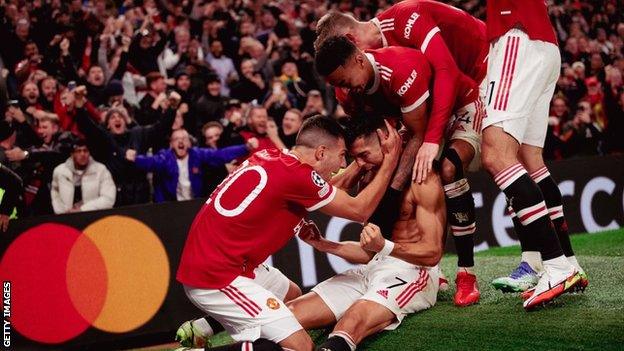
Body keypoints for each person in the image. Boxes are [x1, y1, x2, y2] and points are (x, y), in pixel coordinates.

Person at [176, 115, 401, 351]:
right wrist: (390, 159)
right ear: (321, 153)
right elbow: (360, 209)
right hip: (217, 277)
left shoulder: (276, 157)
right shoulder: (297, 176)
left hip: (229, 262)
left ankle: (210, 327)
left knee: (291, 294)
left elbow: (328, 190)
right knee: (300, 348)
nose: (343, 165)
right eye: (343, 155)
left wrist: (359, 163)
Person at [315, 36, 483, 306]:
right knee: (383, 172)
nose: (343, 89)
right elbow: (367, 136)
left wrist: (390, 192)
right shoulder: (348, 90)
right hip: (416, 121)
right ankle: (434, 273)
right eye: (337, 85)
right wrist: (354, 170)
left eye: (343, 82)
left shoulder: (400, 68)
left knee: (446, 169)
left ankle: (466, 273)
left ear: (358, 60)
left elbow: (418, 133)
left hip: (457, 107)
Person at [287, 117, 445, 351]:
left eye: (364, 155)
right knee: (287, 315)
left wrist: (384, 247)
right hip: (373, 267)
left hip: (413, 270)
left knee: (352, 320)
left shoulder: (422, 178)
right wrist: (324, 244)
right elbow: (369, 253)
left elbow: (433, 253)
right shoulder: (368, 175)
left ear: (386, 143)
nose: (359, 163)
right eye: (353, 157)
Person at [482, 0, 584, 310]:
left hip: (516, 34)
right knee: (528, 160)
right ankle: (566, 261)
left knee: (496, 153)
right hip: (539, 42)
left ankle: (555, 266)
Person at [315, 3, 488, 182]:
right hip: (455, 90)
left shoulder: (405, 17)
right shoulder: (369, 70)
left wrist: (432, 139)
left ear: (350, 43)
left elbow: (447, 71)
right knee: (422, 175)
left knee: (496, 155)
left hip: (487, 64)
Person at [128, 129, 255, 202]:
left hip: (194, 203)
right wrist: (135, 159)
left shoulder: (197, 154)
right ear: (171, 144)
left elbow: (219, 155)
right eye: (177, 139)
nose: (181, 141)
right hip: (171, 207)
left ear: (189, 143)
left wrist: (245, 148)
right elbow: (151, 162)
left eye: (184, 138)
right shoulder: (165, 157)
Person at [51, 140, 116, 214]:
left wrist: (83, 209)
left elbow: (108, 198)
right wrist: (60, 211)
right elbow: (54, 191)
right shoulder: (60, 171)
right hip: (66, 217)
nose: (82, 154)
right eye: (78, 151)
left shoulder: (101, 170)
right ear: (72, 154)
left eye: (85, 151)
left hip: (93, 216)